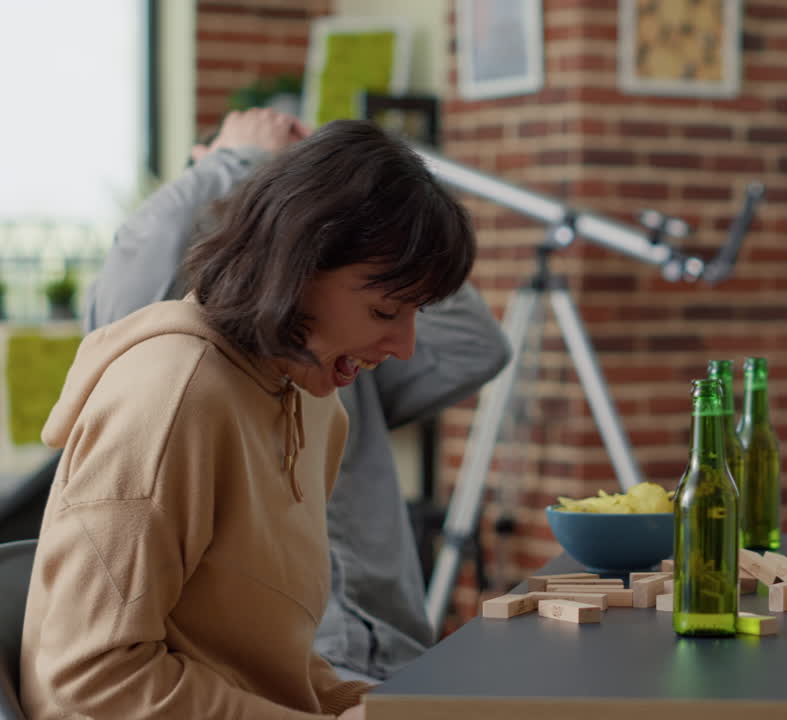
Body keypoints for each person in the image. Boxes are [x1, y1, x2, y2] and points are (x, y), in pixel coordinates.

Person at [22, 120, 475, 718]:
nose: (405, 346)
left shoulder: (315, 405)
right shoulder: (173, 397)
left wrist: (389, 710)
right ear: (298, 265)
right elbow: (88, 684)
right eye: (385, 309)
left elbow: (267, 660)